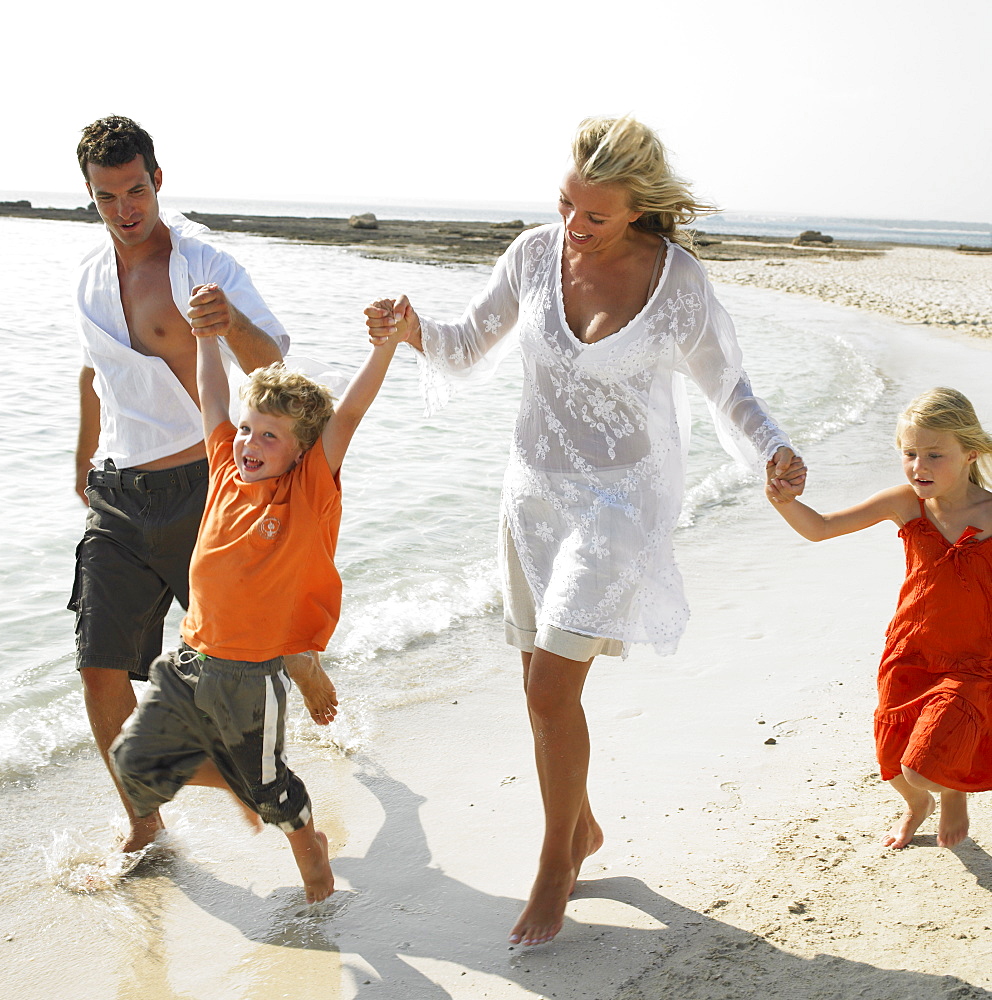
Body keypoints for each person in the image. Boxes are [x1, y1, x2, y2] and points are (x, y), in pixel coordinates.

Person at [365, 116, 806, 946]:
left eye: (594, 215)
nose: (573, 225)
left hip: (619, 501)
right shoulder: (533, 254)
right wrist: (411, 328)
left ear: (640, 210)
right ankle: (585, 826)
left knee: (548, 692)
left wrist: (774, 447)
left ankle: (554, 863)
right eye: (565, 202)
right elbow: (465, 345)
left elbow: (729, 392)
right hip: (532, 495)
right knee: (540, 686)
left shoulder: (676, 286)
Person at [71, 115, 335, 853]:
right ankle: (145, 823)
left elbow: (270, 358)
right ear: (90, 197)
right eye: (106, 196)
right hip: (119, 497)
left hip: (206, 491)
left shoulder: (203, 265)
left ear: (158, 180)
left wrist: (228, 323)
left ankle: (295, 653)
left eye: (135, 190)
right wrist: (81, 462)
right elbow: (95, 375)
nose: (125, 209)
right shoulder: (89, 279)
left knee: (236, 665)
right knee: (97, 668)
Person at [111, 295, 405, 901]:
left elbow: (347, 416)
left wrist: (385, 348)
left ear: (301, 451)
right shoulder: (224, 465)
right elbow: (212, 393)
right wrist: (208, 338)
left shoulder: (307, 491)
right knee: (131, 760)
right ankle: (229, 782)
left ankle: (311, 857)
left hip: (250, 672)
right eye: (249, 429)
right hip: (191, 656)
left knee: (272, 791)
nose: (249, 442)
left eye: (269, 436)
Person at [767, 387, 992, 850]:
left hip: (971, 661)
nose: (918, 467)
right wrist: (785, 503)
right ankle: (917, 805)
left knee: (924, 761)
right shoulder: (906, 503)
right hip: (909, 651)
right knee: (893, 759)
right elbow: (822, 528)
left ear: (970, 451)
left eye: (934, 454)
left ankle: (951, 795)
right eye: (909, 453)